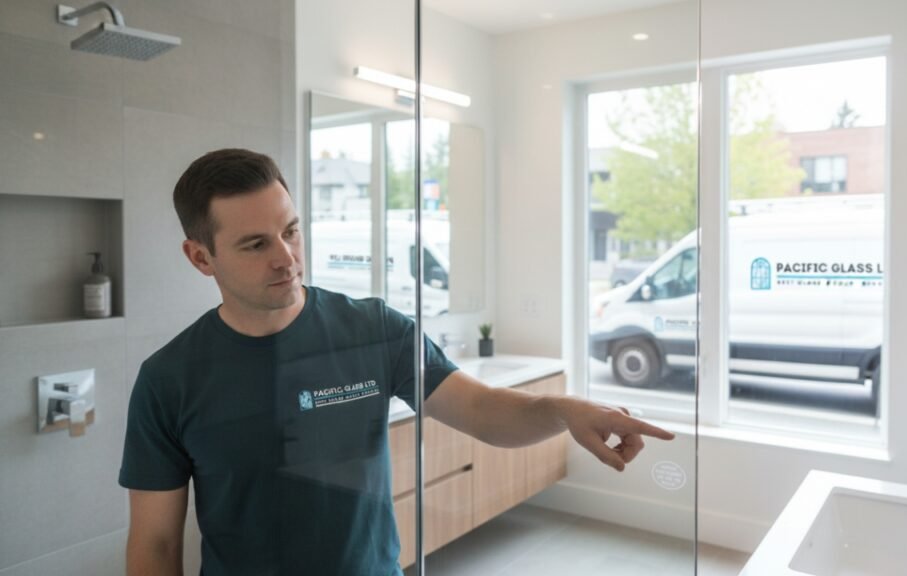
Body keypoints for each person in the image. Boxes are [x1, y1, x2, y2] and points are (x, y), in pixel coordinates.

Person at [119, 148, 675, 575]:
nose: (286, 257)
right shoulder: (169, 380)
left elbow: (481, 410)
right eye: (255, 244)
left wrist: (563, 410)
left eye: (290, 231)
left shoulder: (375, 330)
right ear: (200, 257)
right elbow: (156, 543)